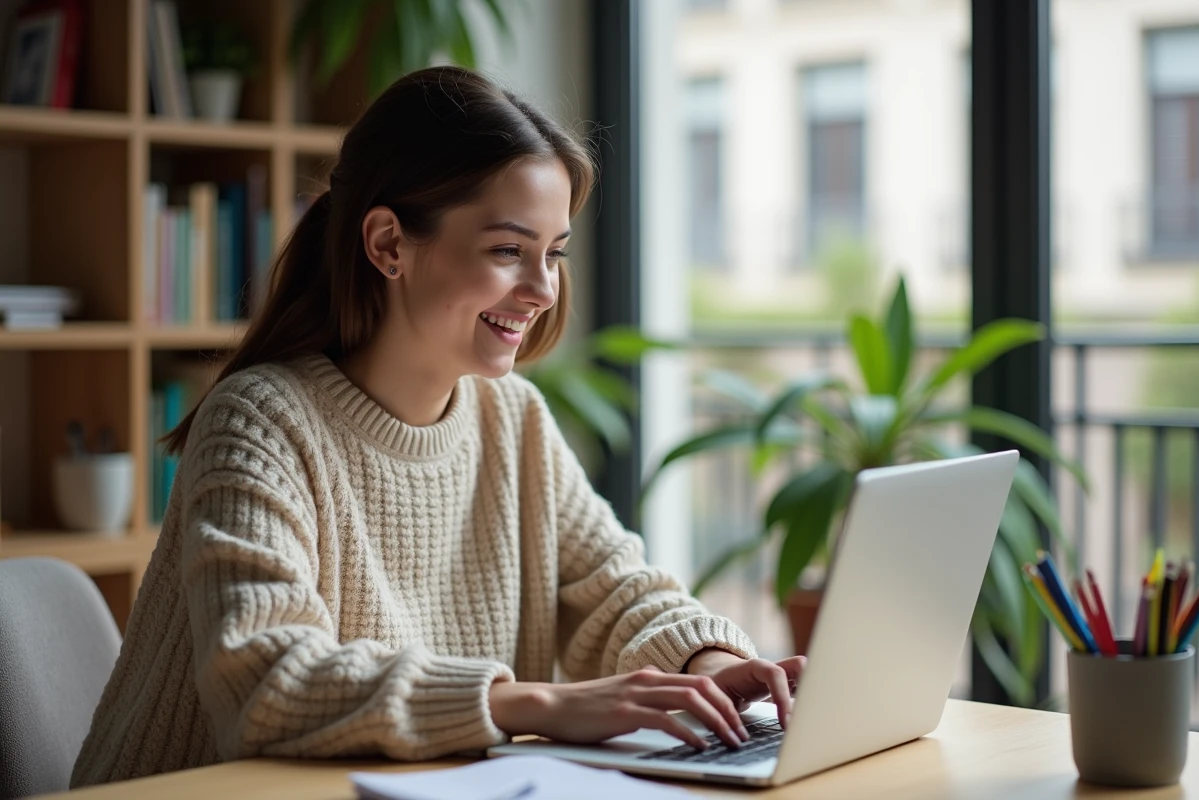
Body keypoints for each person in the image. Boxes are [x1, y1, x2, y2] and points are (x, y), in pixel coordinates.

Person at [71, 66, 803, 788]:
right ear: (388, 244)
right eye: (508, 251)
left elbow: (616, 591)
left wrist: (709, 668)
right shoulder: (261, 422)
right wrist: (539, 704)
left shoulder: (511, 419)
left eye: (553, 253)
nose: (544, 289)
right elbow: (268, 679)